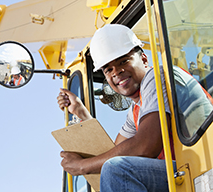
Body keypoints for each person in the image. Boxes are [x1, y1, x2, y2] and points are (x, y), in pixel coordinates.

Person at [57, 24, 176, 192]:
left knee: (117, 170)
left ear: (144, 59)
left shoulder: (157, 75)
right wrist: (81, 113)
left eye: (123, 61)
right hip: (178, 174)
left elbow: (145, 146)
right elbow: (114, 152)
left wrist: (82, 166)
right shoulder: (136, 110)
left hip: (196, 167)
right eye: (108, 69)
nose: (116, 72)